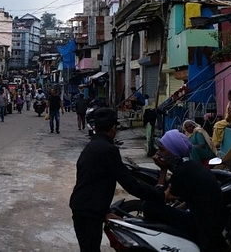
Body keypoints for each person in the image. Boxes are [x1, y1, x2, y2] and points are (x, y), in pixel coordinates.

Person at [69, 108, 167, 252]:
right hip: (89, 210)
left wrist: (104, 211)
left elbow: (93, 181)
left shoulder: (92, 146)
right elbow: (129, 183)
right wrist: (159, 195)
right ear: (113, 129)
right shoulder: (108, 150)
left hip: (84, 206)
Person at [143, 129, 227, 252]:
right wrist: (176, 210)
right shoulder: (192, 166)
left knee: (149, 207)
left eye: (162, 150)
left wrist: (163, 170)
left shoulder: (182, 172)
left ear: (173, 152)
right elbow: (192, 199)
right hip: (215, 221)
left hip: (202, 225)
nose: (158, 153)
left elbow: (160, 198)